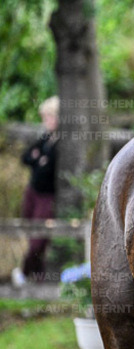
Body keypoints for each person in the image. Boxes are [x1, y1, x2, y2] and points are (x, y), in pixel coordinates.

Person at [12, 96, 59, 286]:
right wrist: (37, 160)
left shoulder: (60, 143)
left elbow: (48, 169)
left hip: (47, 196)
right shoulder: (46, 138)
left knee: (39, 239)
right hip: (33, 191)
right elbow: (26, 157)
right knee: (30, 231)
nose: (45, 121)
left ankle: (24, 272)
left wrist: (39, 160)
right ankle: (38, 278)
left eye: (48, 116)